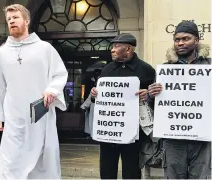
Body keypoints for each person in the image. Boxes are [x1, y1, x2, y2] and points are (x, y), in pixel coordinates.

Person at [0, 4, 68, 179]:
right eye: (9, 19)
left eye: (15, 18)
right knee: (12, 158)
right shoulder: (1, 54)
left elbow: (59, 74)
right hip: (14, 115)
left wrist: (51, 90)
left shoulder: (44, 49)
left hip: (40, 114)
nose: (11, 21)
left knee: (42, 157)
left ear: (26, 21)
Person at [148, 21, 211, 179]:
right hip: (173, 140)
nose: (180, 43)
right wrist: (151, 95)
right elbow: (157, 106)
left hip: (202, 139)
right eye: (177, 39)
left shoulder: (209, 67)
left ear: (196, 40)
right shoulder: (165, 69)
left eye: (186, 38)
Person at [90, 33, 155, 179]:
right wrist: (94, 95)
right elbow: (98, 99)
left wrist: (149, 95)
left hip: (133, 133)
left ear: (128, 49)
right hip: (109, 131)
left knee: (131, 171)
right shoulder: (107, 69)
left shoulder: (146, 70)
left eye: (116, 46)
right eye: (113, 46)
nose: (112, 50)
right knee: (107, 170)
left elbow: (158, 100)